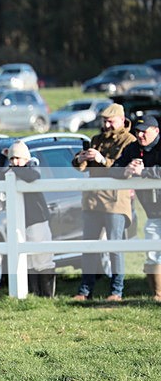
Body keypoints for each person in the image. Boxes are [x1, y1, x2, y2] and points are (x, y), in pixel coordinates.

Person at [71, 103, 136, 301]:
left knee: (115, 247)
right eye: (104, 121)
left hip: (116, 201)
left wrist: (101, 159)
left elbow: (121, 168)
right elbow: (79, 167)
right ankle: (85, 290)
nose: (107, 125)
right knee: (89, 247)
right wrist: (81, 158)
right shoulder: (96, 139)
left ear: (122, 119)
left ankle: (116, 291)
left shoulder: (130, 141)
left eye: (111, 121)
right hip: (92, 200)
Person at [0, 140, 56, 296]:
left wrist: (14, 168)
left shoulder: (31, 166)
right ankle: (32, 295)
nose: (14, 162)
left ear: (26, 158)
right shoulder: (10, 171)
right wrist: (1, 156)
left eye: (18, 158)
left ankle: (47, 297)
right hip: (18, 222)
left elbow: (31, 175)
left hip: (37, 219)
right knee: (26, 261)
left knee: (42, 258)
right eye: (12, 159)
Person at [114, 115, 161, 301]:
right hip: (153, 212)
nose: (140, 135)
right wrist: (126, 170)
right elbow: (115, 168)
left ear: (156, 131)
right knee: (152, 251)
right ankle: (157, 296)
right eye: (138, 131)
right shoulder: (133, 148)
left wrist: (145, 172)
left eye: (145, 131)